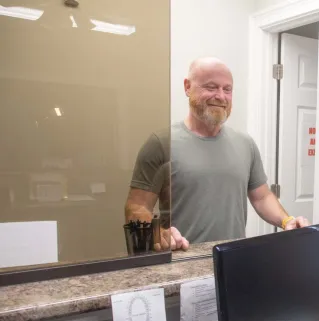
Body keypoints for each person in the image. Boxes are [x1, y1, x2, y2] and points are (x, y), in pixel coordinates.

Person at [125, 57, 309, 250]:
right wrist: (158, 235)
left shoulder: (245, 143)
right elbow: (137, 207)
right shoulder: (162, 143)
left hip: (233, 261)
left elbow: (261, 197)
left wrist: (286, 220)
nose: (220, 96)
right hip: (182, 262)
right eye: (211, 87)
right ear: (187, 87)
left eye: (227, 89)